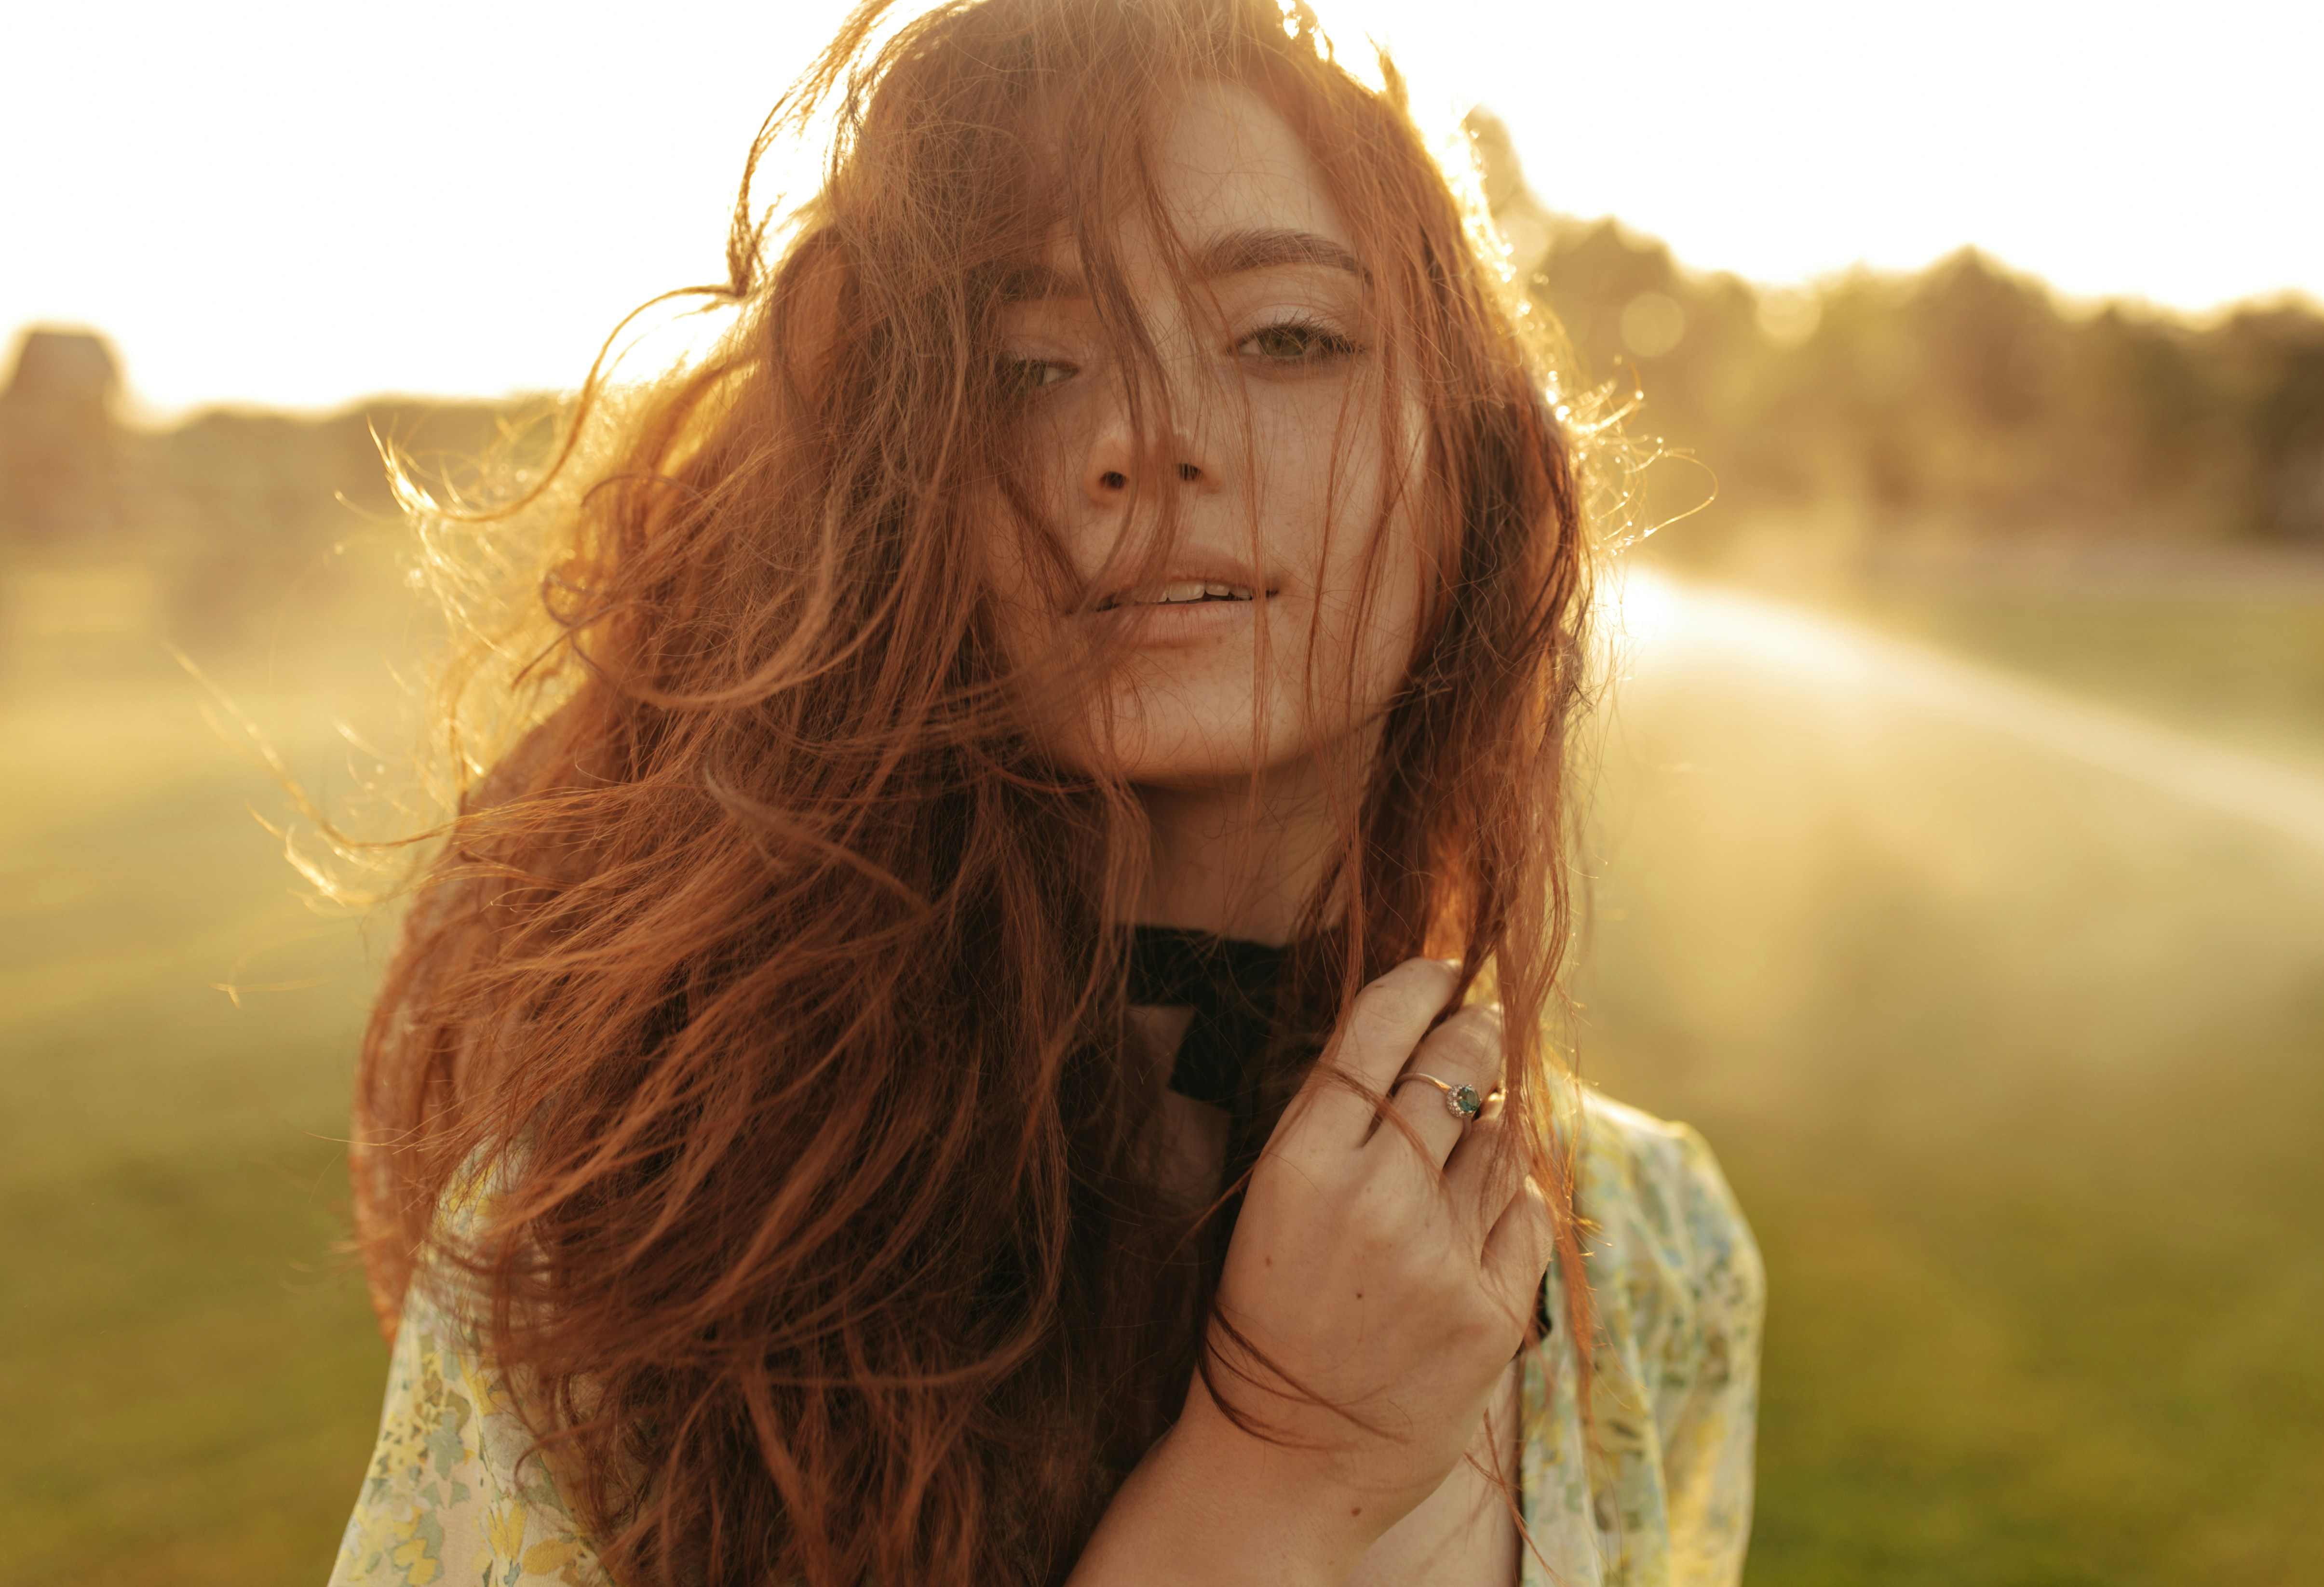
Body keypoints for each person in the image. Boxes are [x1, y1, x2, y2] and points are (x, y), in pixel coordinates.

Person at [328, 0, 1762, 1582]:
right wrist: (1287, 1466)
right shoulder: (622, 1224)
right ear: (896, 500)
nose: (1148, 440)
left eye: (1285, 337)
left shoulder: (1651, 1250)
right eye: (1026, 366)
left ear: (1476, 457)